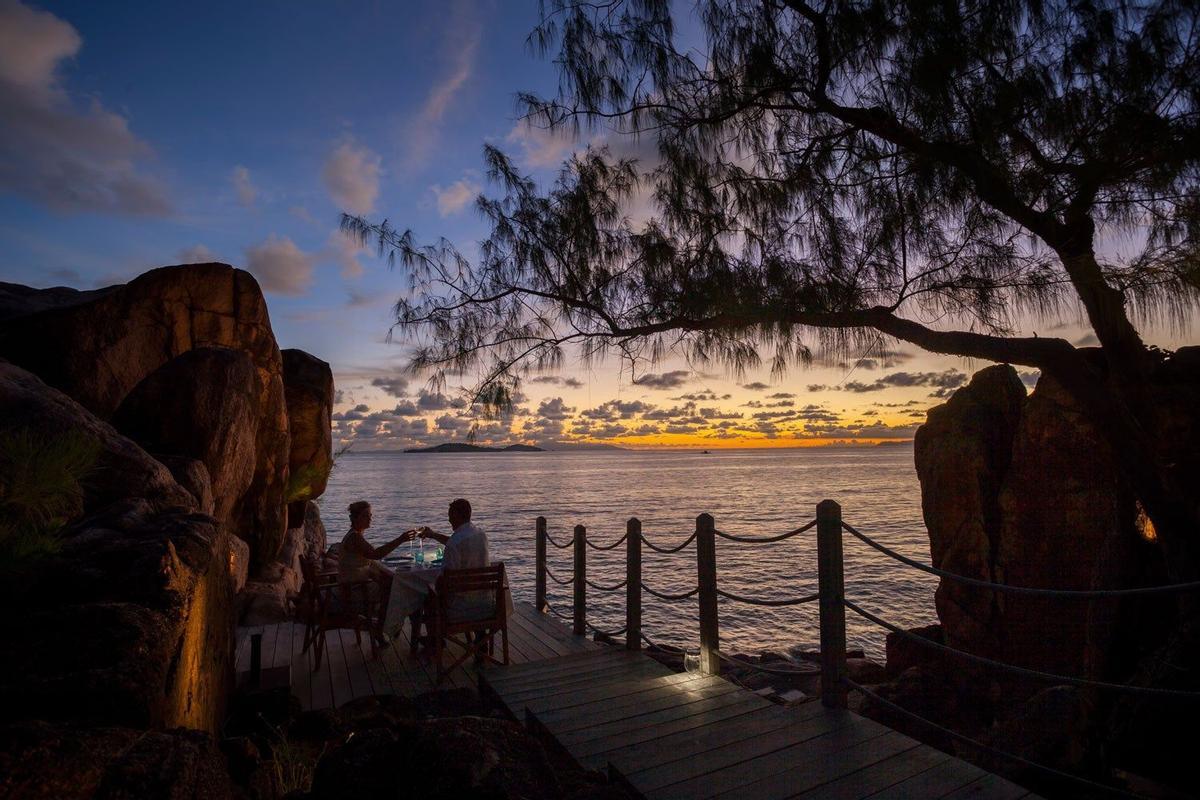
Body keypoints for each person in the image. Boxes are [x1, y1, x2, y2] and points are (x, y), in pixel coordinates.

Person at [411, 498, 492, 654]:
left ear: (457, 516)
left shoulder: (454, 543)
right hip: (486, 603)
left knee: (427, 596)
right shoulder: (481, 534)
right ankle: (481, 637)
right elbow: (456, 542)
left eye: (450, 515)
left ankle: (435, 641)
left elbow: (445, 580)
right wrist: (433, 535)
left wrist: (432, 586)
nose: (448, 519)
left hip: (461, 607)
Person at [338, 500, 417, 594]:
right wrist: (400, 539)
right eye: (365, 516)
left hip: (357, 584)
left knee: (394, 582)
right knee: (403, 588)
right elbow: (376, 554)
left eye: (370, 515)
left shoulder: (354, 535)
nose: (369, 519)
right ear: (355, 518)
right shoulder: (355, 537)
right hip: (357, 589)